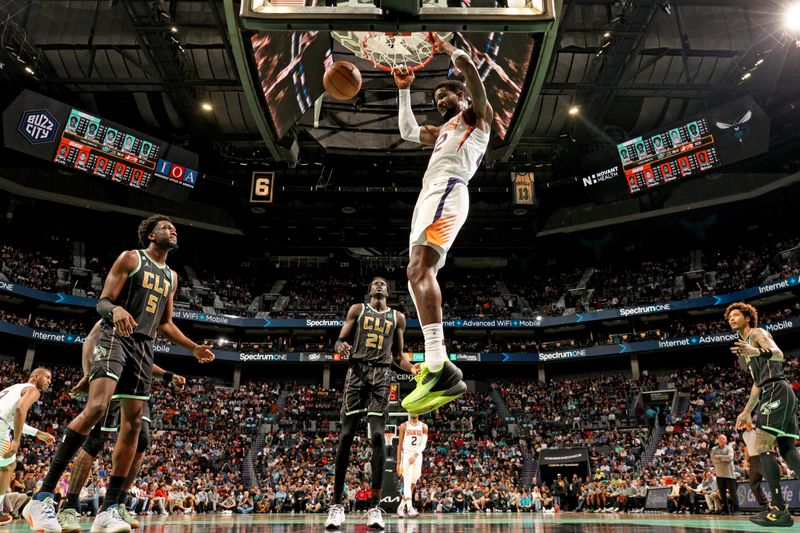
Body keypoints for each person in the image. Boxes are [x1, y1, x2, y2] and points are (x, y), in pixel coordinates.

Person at [24, 214, 214, 533]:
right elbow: (102, 302)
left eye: (174, 227)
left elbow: (165, 323)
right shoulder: (131, 258)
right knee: (97, 408)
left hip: (144, 347)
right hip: (114, 335)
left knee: (134, 426)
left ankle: (110, 509)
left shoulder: (171, 276)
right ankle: (43, 496)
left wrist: (193, 347)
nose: (173, 230)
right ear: (150, 235)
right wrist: (115, 309)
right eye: (166, 227)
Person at [393, 33, 490, 415]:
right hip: (430, 194)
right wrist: (404, 92)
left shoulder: (475, 116)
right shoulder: (440, 133)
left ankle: (439, 366)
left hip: (449, 189)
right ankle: (437, 366)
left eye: (443, 97)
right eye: (435, 100)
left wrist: (450, 51)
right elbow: (406, 131)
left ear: (462, 98)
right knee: (414, 272)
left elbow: (471, 74)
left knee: (421, 269)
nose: (439, 103)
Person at [56, 320, 187, 532]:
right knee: (96, 440)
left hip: (133, 384)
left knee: (142, 440)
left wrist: (168, 376)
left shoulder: (149, 322)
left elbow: (141, 361)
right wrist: (89, 375)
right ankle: (68, 507)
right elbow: (89, 341)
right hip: (110, 378)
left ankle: (117, 503)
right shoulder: (117, 311)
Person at [325, 277, 416, 531]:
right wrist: (341, 345)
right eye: (375, 283)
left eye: (383, 283)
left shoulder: (397, 317)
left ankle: (375, 508)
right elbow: (338, 340)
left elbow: (398, 357)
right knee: (345, 437)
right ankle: (336, 506)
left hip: (382, 376)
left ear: (388, 291)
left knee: (378, 437)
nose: (379, 285)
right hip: (357, 373)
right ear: (370, 290)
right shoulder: (357, 309)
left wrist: (413, 368)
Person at [728, 301, 800, 527]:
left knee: (761, 445)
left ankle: (778, 509)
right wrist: (746, 412)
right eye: (729, 317)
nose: (731, 319)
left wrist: (756, 350)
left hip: (776, 390)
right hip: (774, 391)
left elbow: (778, 354)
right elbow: (757, 385)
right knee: (787, 449)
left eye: (736, 315)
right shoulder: (744, 350)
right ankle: (778, 509)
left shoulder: (758, 333)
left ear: (747, 318)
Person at [0, 369, 56, 526]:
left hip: (2, 423)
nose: (49, 381)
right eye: (47, 377)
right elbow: (20, 409)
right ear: (35, 376)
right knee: (8, 466)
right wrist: (16, 441)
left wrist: (38, 432)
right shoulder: (33, 390)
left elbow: (11, 418)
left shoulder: (15, 387)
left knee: (7, 465)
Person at [396, 413, 428, 518]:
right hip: (407, 454)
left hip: (417, 455)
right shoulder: (403, 426)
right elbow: (400, 445)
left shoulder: (424, 426)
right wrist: (398, 462)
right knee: (407, 481)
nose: (414, 412)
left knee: (413, 483)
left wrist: (415, 455)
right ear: (409, 412)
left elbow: (423, 444)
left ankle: (400, 507)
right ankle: (410, 508)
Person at [742, 420, 769, 511]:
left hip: (762, 457)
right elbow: (746, 448)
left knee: (771, 481)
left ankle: (781, 505)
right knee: (753, 483)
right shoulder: (744, 435)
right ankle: (765, 505)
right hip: (753, 460)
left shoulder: (757, 431)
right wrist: (746, 460)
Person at [710, 434, 737, 514]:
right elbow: (713, 459)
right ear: (718, 440)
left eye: (723, 439)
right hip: (719, 475)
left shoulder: (729, 448)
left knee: (733, 494)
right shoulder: (714, 449)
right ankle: (726, 510)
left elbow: (729, 458)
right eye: (720, 439)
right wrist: (722, 458)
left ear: (726, 440)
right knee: (722, 494)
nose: (722, 440)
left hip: (729, 474)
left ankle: (736, 510)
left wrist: (719, 457)